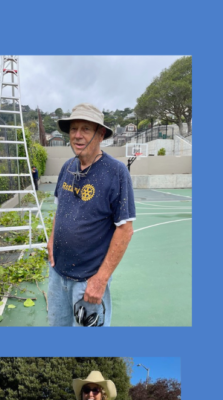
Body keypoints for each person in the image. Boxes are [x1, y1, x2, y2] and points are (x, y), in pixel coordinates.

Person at [47, 104, 136, 327]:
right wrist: (51, 240)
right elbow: (60, 210)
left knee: (87, 356)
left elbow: (125, 229)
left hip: (88, 283)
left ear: (101, 134)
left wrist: (101, 279)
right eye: (74, 129)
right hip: (58, 276)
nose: (77, 135)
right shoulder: (67, 167)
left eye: (86, 129)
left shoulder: (116, 172)